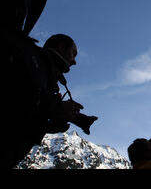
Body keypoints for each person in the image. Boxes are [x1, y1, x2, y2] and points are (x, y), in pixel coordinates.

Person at [0, 34, 96, 169]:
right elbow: (17, 104)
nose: (74, 61)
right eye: (73, 53)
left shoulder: (46, 75)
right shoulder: (30, 58)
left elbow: (28, 118)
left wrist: (52, 121)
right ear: (61, 47)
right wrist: (56, 109)